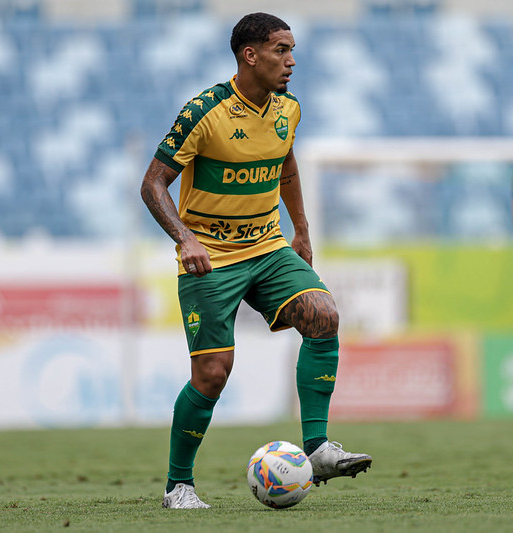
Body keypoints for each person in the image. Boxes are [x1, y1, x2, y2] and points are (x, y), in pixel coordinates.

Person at [140, 12, 372, 509]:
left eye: (292, 52)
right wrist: (185, 239)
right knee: (213, 374)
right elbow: (152, 182)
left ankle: (319, 449)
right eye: (280, 51)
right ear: (250, 54)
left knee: (324, 316)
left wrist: (302, 230)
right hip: (212, 256)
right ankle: (178, 485)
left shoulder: (289, 109)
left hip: (267, 246)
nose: (290, 62)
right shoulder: (206, 111)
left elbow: (286, 164)